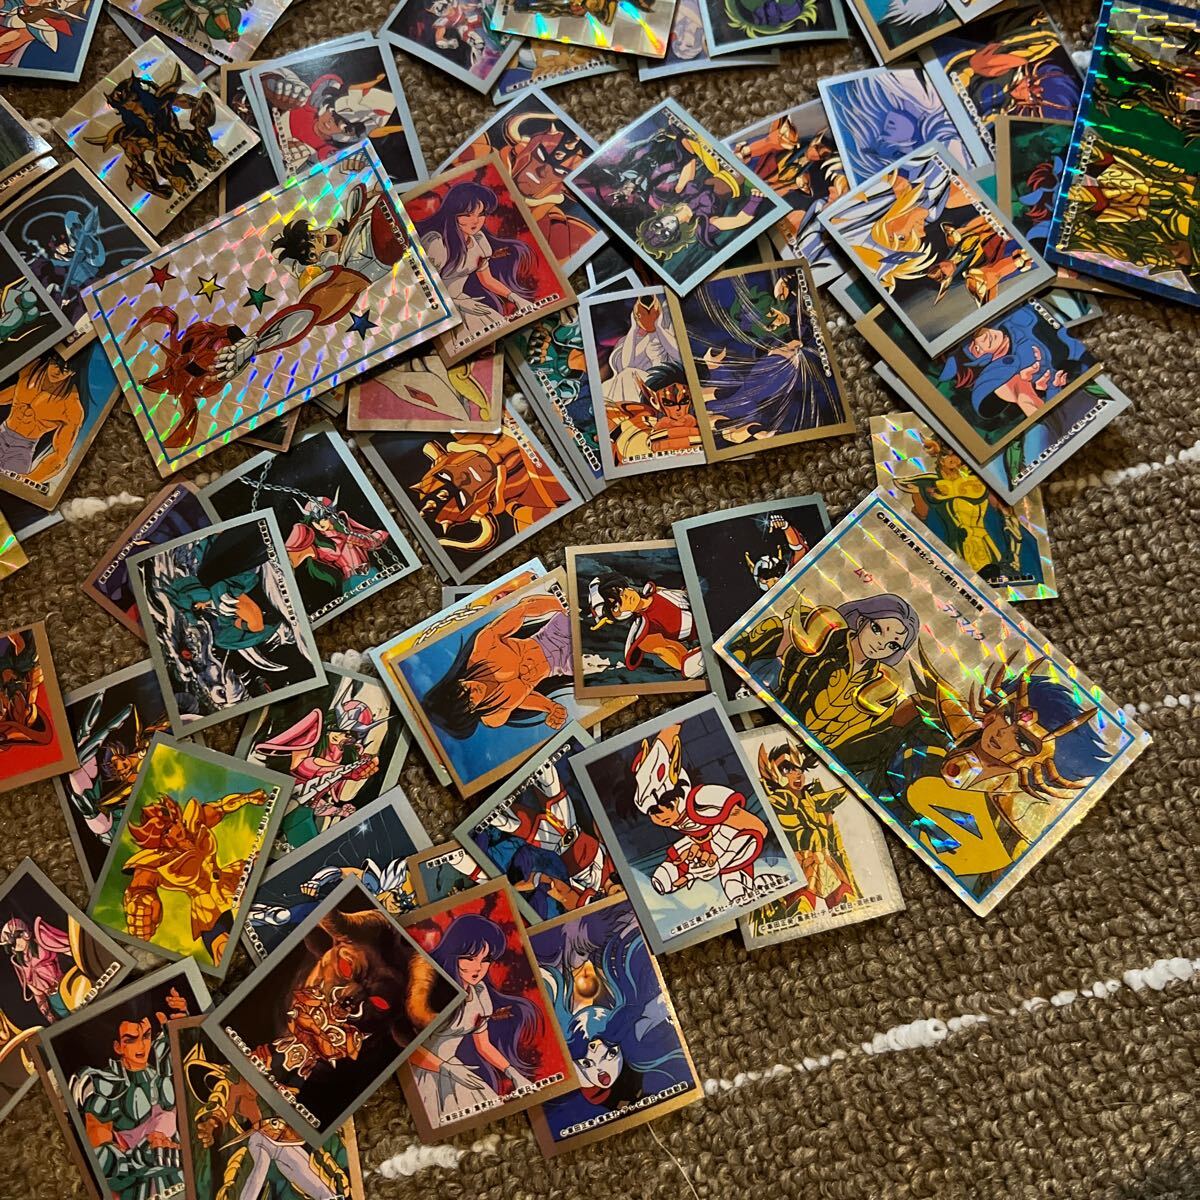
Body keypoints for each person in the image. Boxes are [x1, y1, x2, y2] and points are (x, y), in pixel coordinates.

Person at [727, 593, 920, 773]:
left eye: (893, 645)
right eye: (877, 630)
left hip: (805, 762)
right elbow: (743, 651)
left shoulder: (879, 687)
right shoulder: (821, 639)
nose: (880, 645)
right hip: (755, 722)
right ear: (862, 621)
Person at [407, 914, 539, 1124]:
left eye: (485, 960)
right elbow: (407, 1048)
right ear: (453, 953)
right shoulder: (432, 989)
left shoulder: (480, 992)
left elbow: (483, 1045)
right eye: (470, 958)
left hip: (458, 1071)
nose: (478, 968)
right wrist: (446, 1069)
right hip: (423, 1073)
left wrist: (514, 1074)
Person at [121, 787, 269, 964]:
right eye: (166, 831)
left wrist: (247, 797)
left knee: (264, 863)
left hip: (232, 879)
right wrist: (142, 904)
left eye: (173, 823)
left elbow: (222, 806)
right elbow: (140, 887)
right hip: (208, 909)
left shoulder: (194, 825)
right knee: (223, 951)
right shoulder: (158, 861)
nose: (175, 830)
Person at [71, 987, 190, 1200]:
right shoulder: (104, 1088)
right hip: (141, 1191)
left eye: (146, 1036)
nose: (142, 1046)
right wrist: (140, 1156)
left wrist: (188, 1024)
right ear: (117, 1046)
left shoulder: (165, 1063)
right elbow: (101, 1162)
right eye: (131, 1039)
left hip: (188, 1181)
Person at [422, 594, 573, 740]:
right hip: (564, 665)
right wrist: (551, 708)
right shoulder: (494, 716)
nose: (473, 690)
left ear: (458, 681)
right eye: (470, 701)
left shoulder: (484, 648)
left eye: (464, 688)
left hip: (554, 634)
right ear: (471, 712)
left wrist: (563, 603)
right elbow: (520, 699)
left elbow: (523, 609)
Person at [414, 180, 536, 345]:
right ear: (453, 214)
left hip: (465, 302)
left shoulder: (479, 240)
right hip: (439, 307)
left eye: (481, 214)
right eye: (468, 214)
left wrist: (515, 298)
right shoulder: (436, 242)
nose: (475, 221)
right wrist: (457, 304)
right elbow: (423, 287)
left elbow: (487, 280)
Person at [0, 351, 84, 485]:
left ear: (73, 373)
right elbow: (15, 393)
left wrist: (30, 479)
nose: (57, 371)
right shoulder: (30, 369)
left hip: (21, 451)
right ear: (51, 359)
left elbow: (60, 456)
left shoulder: (71, 405)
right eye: (55, 364)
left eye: (65, 370)